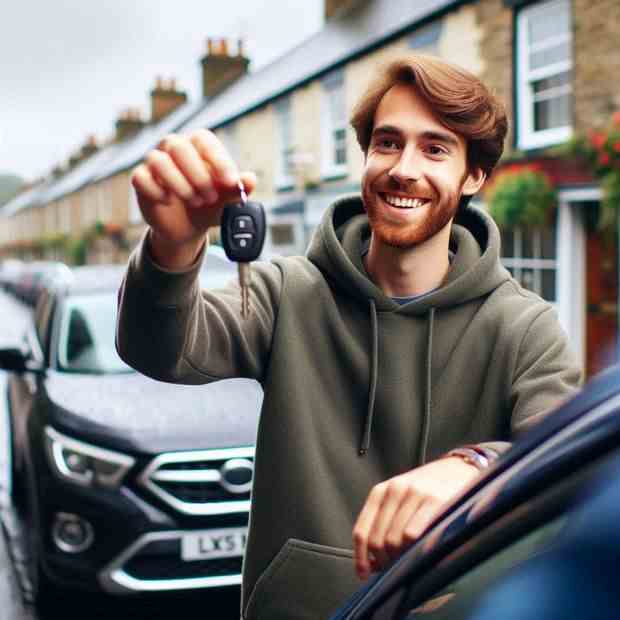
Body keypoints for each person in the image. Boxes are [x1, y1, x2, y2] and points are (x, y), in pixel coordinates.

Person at [116, 54, 581, 619]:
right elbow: (158, 347)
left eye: (435, 149)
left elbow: (568, 479)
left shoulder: (526, 327)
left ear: (473, 176)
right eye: (388, 143)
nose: (403, 168)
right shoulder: (287, 292)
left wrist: (478, 467)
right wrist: (172, 244)